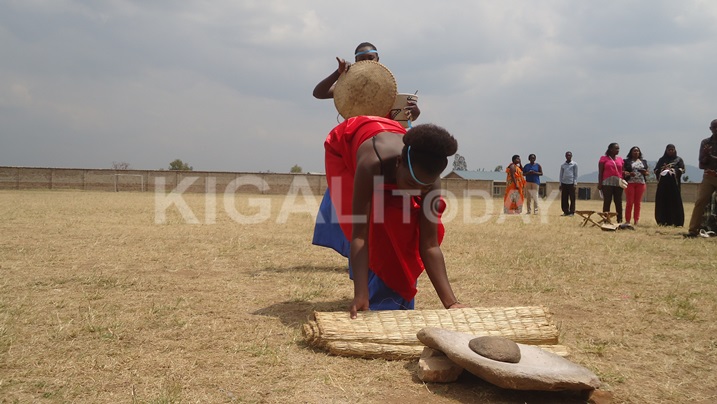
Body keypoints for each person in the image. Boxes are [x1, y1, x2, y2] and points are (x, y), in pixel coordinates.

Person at [324, 117, 465, 318]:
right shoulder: (371, 163)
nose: (415, 191)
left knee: (404, 230)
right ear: (399, 162)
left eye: (423, 187)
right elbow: (360, 236)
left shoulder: (429, 180)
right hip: (348, 144)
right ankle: (372, 289)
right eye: (410, 182)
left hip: (393, 145)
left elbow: (430, 245)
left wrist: (451, 303)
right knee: (378, 227)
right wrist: (361, 294)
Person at [312, 42, 420, 258]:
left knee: (383, 207)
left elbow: (405, 120)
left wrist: (414, 112)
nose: (367, 62)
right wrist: (338, 73)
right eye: (362, 59)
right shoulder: (349, 90)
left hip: (384, 153)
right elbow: (319, 92)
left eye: (370, 58)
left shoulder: (388, 92)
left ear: (378, 60)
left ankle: (380, 252)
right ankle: (358, 251)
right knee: (352, 205)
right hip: (357, 152)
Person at [685, 119, 717, 238]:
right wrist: (706, 156)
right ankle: (693, 230)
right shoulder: (705, 143)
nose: (716, 130)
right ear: (710, 129)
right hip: (709, 177)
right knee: (700, 202)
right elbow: (701, 165)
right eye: (714, 127)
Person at [654, 144, 685, 226]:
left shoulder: (678, 159)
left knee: (675, 202)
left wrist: (673, 170)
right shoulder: (662, 160)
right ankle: (662, 220)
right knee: (662, 201)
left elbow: (682, 169)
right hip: (663, 186)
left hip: (674, 186)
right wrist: (663, 169)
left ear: (675, 150)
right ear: (666, 150)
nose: (671, 151)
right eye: (669, 150)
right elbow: (656, 170)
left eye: (672, 150)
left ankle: (676, 221)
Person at [598, 143, 625, 223]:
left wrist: (626, 174)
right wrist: (600, 183)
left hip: (618, 183)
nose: (618, 150)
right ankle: (606, 219)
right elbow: (601, 172)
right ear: (610, 149)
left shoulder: (620, 159)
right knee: (607, 201)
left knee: (618, 202)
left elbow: (622, 171)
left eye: (618, 149)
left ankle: (619, 220)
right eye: (616, 148)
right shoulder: (604, 159)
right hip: (607, 183)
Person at [623, 146, 649, 225]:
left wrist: (644, 172)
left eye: (637, 151)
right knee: (630, 202)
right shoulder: (626, 161)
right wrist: (629, 173)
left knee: (638, 203)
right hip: (630, 183)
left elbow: (647, 173)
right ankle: (627, 220)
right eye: (634, 151)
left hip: (641, 183)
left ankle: (636, 220)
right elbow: (623, 171)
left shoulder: (643, 161)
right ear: (631, 152)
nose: (636, 152)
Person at [559, 151, 578, 216]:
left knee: (572, 198)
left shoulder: (574, 164)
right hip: (564, 183)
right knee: (564, 198)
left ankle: (572, 211)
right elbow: (561, 175)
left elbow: (575, 174)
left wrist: (575, 183)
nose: (568, 156)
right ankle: (565, 211)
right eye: (567, 155)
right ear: (565, 156)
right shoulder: (563, 165)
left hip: (571, 183)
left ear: (571, 156)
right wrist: (560, 184)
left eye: (569, 155)